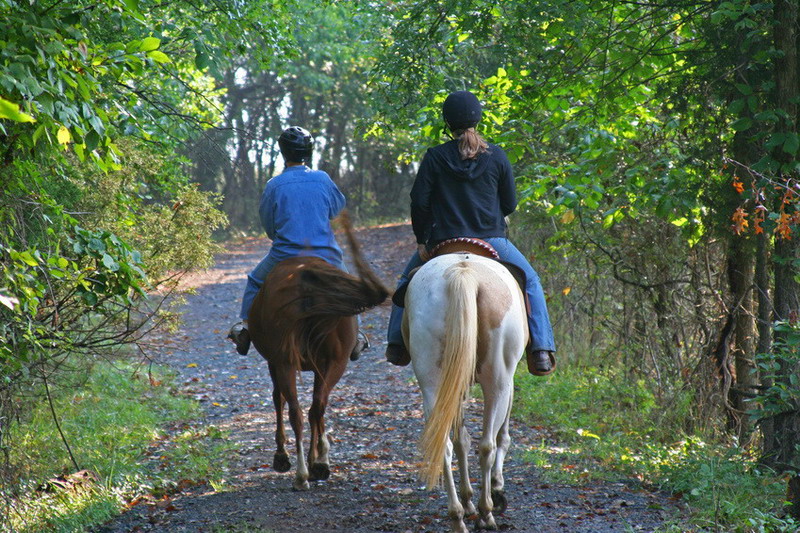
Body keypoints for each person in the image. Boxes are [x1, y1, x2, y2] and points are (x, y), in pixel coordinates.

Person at [384, 90, 556, 375]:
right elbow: (510, 203)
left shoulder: (435, 157)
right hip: (491, 239)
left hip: (443, 240)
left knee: (405, 281)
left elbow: (420, 201)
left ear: (446, 123)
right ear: (478, 119)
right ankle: (541, 349)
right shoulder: (496, 155)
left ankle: (396, 344)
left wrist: (422, 240)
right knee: (532, 281)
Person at [228, 126, 369, 360]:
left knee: (255, 280)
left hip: (285, 254)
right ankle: (357, 336)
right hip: (326, 255)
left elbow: (269, 225)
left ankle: (245, 328)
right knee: (349, 288)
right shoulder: (322, 179)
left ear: (284, 153)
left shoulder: (274, 184)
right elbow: (336, 209)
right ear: (309, 152)